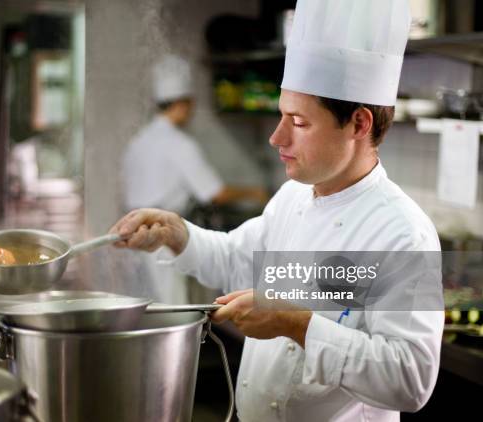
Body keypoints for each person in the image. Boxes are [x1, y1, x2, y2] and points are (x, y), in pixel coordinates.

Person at [112, 1, 444, 420]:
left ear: (359, 125)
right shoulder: (294, 197)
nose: (276, 137)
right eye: (281, 116)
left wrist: (298, 323)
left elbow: (411, 380)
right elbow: (237, 258)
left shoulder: (402, 233)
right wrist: (178, 234)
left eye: (299, 123)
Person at [122, 54, 266, 303]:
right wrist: (256, 193)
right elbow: (214, 193)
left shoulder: (139, 141)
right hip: (160, 236)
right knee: (171, 310)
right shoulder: (179, 144)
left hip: (133, 233)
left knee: (145, 308)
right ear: (182, 104)